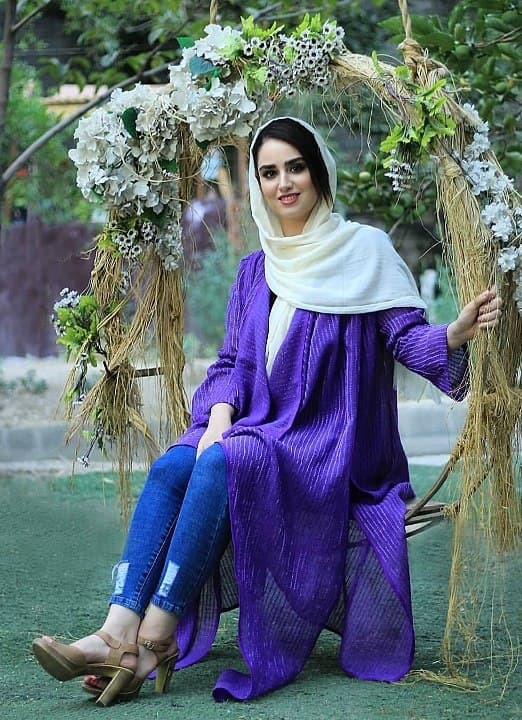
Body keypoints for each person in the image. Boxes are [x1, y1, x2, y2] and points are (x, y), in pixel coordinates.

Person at [32, 117, 501, 706]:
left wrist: (454, 333)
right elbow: (231, 361)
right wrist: (219, 415)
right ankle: (117, 631)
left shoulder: (365, 252)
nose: (284, 183)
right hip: (251, 425)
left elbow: (405, 337)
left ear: (319, 171)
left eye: (296, 167)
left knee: (220, 462)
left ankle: (156, 635)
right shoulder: (256, 270)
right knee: (174, 465)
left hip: (323, 445)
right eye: (269, 172)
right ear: (257, 184)